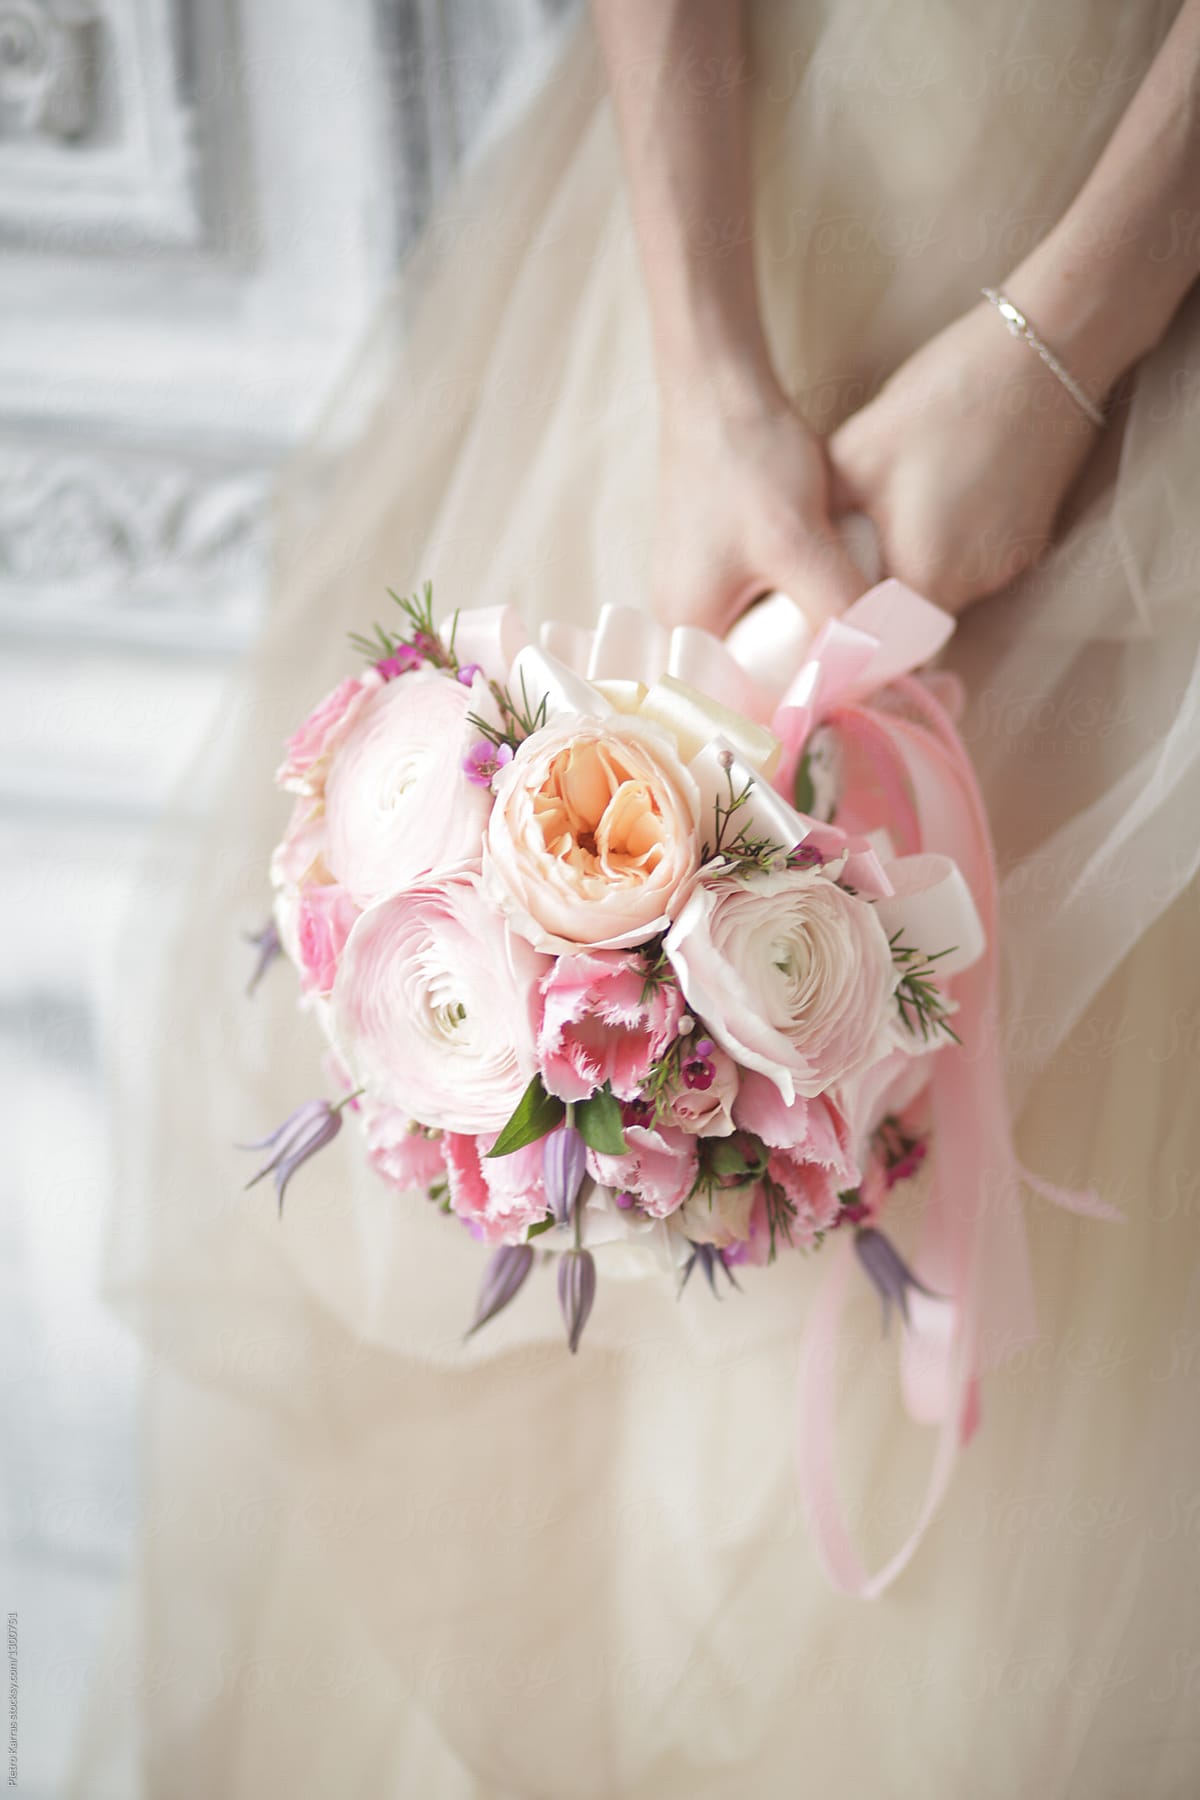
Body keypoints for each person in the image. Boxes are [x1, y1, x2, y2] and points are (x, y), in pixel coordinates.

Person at [77, 2, 1200, 1794]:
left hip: (1125, 208)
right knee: (648, 1421)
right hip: (765, 182)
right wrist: (711, 370)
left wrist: (1069, 341)